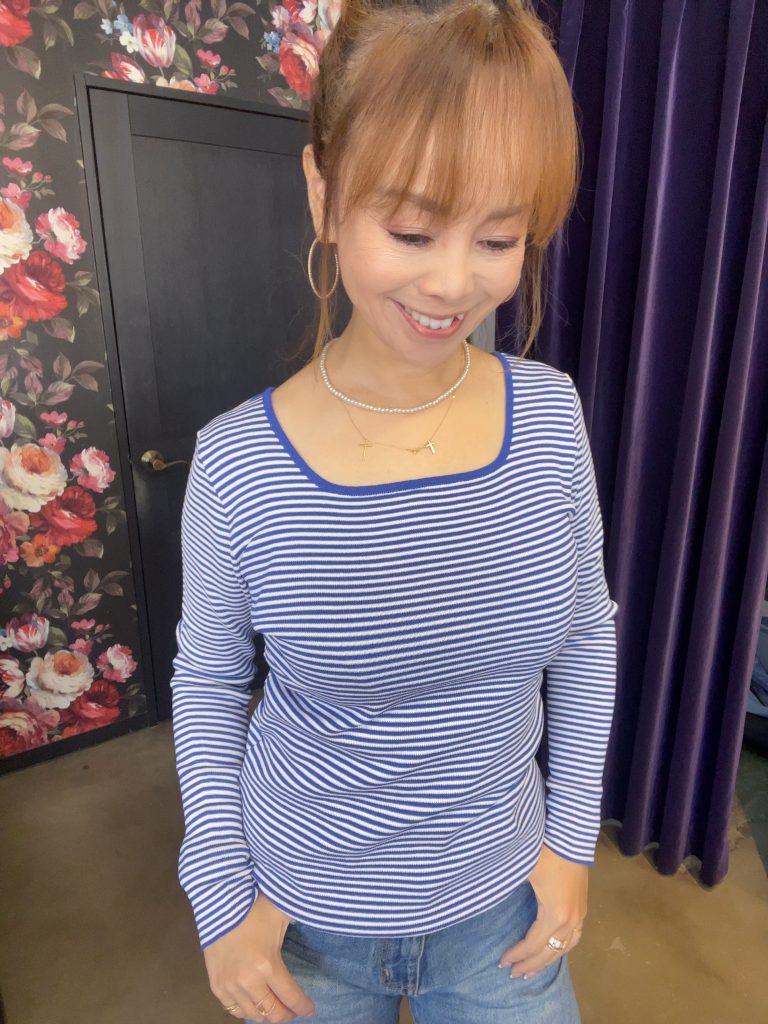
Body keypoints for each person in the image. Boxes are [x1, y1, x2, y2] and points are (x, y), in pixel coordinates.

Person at [169, 1, 619, 1022]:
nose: (453, 282)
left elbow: (587, 634)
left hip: (504, 912)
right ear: (323, 192)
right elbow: (209, 683)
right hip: (302, 923)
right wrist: (220, 890)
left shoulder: (551, 418)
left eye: (499, 237)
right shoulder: (238, 464)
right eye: (411, 230)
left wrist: (570, 844)